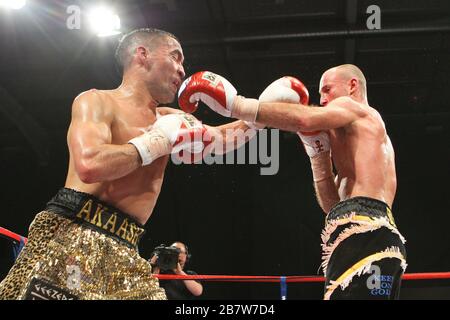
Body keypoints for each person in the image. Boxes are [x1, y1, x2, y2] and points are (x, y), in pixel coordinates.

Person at [0, 28, 258, 300]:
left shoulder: (170, 117)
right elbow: (90, 165)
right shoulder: (97, 101)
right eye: (175, 57)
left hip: (126, 246)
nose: (183, 70)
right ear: (142, 55)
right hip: (73, 233)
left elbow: (221, 139)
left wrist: (259, 113)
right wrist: (155, 142)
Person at [178, 65, 407, 300]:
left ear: (352, 86)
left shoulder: (355, 108)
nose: (323, 99)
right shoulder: (357, 148)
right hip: (371, 235)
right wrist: (317, 156)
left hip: (365, 234)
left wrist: (238, 105)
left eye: (327, 90)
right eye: (320, 94)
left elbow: (303, 119)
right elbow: (332, 207)